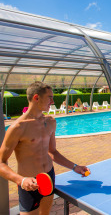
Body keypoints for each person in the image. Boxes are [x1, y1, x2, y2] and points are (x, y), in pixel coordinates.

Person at [0, 81, 90, 214]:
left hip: (49, 176)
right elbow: (1, 162)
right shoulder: (17, 128)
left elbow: (52, 152)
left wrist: (74, 166)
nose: (53, 101)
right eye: (50, 97)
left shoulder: (50, 122)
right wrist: (21, 180)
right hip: (28, 182)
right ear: (36, 97)